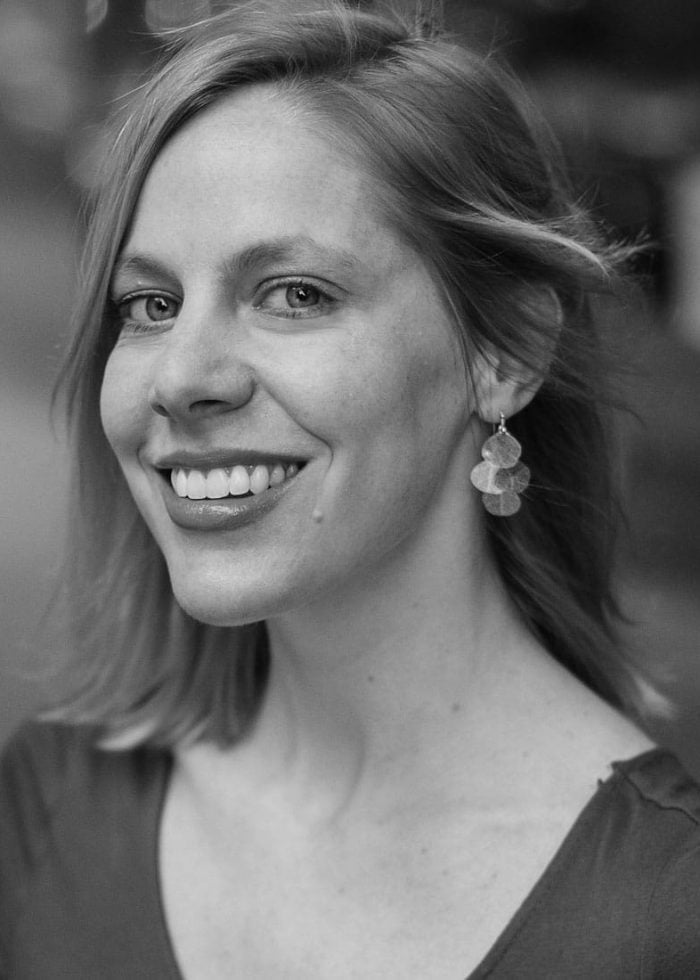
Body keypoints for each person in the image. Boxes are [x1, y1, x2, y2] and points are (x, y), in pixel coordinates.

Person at [2, 2, 700, 977]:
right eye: (149, 304)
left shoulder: (667, 913)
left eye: (294, 292)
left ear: (504, 351)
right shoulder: (44, 817)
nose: (181, 374)